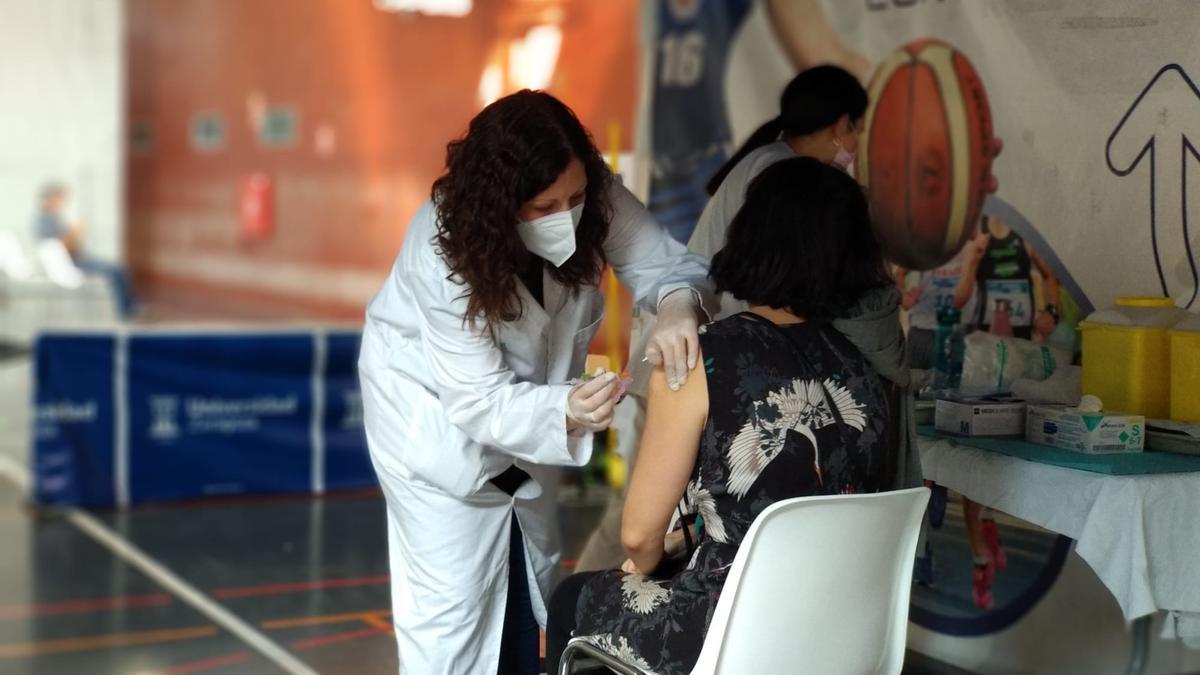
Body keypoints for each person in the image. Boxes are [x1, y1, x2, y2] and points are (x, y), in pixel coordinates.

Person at [357, 90, 713, 675]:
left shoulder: (591, 194)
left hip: (526, 422)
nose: (566, 217)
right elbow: (477, 399)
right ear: (499, 204)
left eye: (574, 198)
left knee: (531, 579)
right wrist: (566, 409)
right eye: (543, 207)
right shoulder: (442, 245)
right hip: (434, 429)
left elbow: (665, 266)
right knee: (453, 616)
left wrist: (677, 306)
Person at [546, 158, 894, 675]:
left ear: (749, 237)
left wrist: (644, 564)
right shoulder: (864, 370)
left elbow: (639, 536)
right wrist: (686, 541)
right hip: (841, 627)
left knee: (573, 596)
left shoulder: (700, 361)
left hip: (732, 629)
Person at [574, 65, 883, 572]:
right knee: (647, 514)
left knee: (660, 523)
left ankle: (589, 606)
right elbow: (641, 534)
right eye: (856, 130)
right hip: (698, 354)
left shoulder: (778, 172)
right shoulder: (854, 367)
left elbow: (645, 540)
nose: (854, 147)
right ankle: (590, 599)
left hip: (722, 608)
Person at [33, 182, 137, 318]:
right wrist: (77, 231)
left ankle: (129, 306)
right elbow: (62, 246)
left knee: (119, 268)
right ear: (50, 198)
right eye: (60, 198)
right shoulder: (46, 220)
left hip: (78, 257)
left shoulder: (55, 217)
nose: (62, 202)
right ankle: (126, 311)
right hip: (74, 261)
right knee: (117, 270)